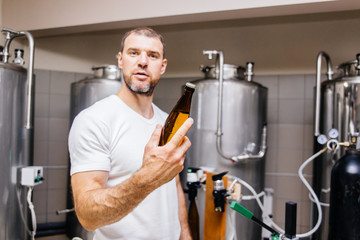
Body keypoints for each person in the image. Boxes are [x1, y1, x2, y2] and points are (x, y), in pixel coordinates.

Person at [68, 27, 194, 239]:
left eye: (152, 55)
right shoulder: (94, 120)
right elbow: (87, 216)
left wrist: (185, 235)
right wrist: (147, 177)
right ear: (120, 60)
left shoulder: (167, 121)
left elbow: (175, 188)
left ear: (162, 66)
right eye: (133, 53)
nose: (143, 61)